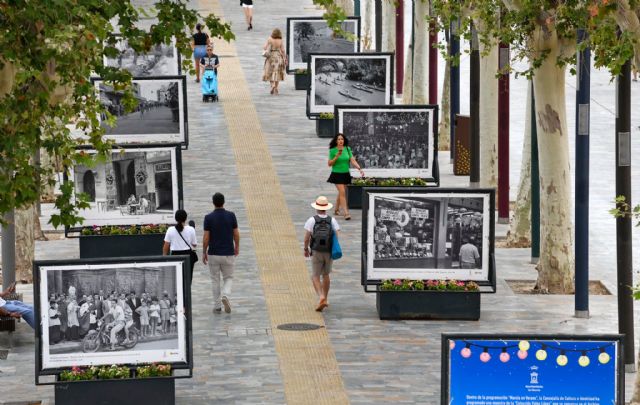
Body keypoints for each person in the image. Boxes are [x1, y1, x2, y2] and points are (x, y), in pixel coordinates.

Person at [203, 192, 239, 314]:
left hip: (213, 253)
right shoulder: (231, 216)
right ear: (224, 202)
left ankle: (217, 306)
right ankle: (226, 295)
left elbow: (206, 238)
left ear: (213, 203)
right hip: (228, 252)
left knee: (215, 280)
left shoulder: (208, 218)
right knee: (228, 278)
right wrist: (237, 246)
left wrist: (204, 252)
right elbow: (236, 234)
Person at [303, 196, 340, 312]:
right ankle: (326, 297)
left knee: (315, 275)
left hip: (316, 250)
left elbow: (307, 237)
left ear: (316, 207)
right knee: (326, 275)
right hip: (328, 251)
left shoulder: (312, 220)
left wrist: (305, 249)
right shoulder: (332, 220)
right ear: (326, 208)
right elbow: (337, 236)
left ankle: (321, 297)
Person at [327, 133, 364, 220]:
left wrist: (359, 168)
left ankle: (336, 209)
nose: (340, 141)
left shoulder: (347, 149)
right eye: (339, 139)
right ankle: (346, 213)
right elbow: (329, 164)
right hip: (336, 174)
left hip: (346, 174)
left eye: (342, 139)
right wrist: (336, 156)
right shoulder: (332, 150)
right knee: (343, 192)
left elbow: (352, 160)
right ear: (336, 141)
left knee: (341, 192)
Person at [163, 210, 198, 284]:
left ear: (176, 218)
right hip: (188, 255)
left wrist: (164, 258)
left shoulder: (170, 230)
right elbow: (194, 244)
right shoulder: (191, 229)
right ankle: (187, 294)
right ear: (185, 218)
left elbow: (166, 246)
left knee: (176, 278)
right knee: (188, 278)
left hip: (175, 256)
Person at [262, 28, 287, 95]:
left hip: (271, 56)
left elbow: (264, 47)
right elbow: (283, 50)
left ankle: (272, 85)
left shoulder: (270, 39)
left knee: (270, 72)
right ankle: (276, 87)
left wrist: (266, 48)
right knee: (277, 72)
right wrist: (285, 58)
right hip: (278, 57)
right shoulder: (280, 40)